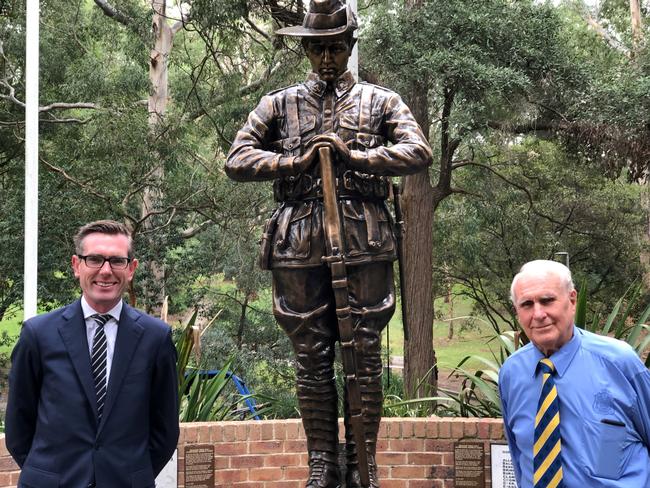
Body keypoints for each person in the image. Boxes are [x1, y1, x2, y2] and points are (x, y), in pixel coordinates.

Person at [226, 1, 432, 486]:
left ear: (349, 46)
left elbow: (417, 150)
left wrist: (356, 155)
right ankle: (321, 459)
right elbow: (237, 158)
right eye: (317, 48)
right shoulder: (278, 103)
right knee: (310, 353)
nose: (326, 58)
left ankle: (364, 460)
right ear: (305, 48)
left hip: (364, 234)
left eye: (335, 48)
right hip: (298, 236)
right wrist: (291, 163)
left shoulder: (382, 101)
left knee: (363, 350)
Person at [5, 220, 179, 488]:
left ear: (131, 269)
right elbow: (18, 424)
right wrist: (48, 475)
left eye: (117, 261)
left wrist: (131, 477)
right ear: (77, 265)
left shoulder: (155, 338)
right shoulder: (38, 335)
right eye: (95, 259)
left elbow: (164, 430)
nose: (106, 271)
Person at [499, 260, 650, 487]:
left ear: (572, 300)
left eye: (547, 300)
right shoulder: (511, 374)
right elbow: (519, 456)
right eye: (527, 304)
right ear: (517, 312)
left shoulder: (619, 363)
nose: (538, 313)